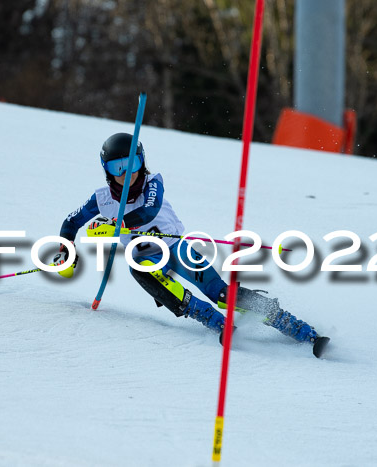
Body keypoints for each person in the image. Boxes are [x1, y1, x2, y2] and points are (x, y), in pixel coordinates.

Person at [54, 132, 326, 351]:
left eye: (133, 164)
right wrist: (67, 249)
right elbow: (71, 222)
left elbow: (149, 210)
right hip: (145, 256)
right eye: (118, 167)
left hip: (176, 247)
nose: (127, 174)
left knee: (220, 292)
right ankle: (216, 323)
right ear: (107, 170)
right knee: (138, 267)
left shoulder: (152, 184)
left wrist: (118, 225)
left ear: (142, 161)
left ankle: (295, 327)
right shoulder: (101, 199)